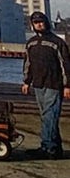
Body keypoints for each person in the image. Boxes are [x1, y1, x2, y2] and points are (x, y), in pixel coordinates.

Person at [21, 11, 70, 159]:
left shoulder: (57, 42)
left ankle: (48, 147)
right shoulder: (31, 43)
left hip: (54, 83)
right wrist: (26, 82)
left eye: (41, 22)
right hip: (38, 83)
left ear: (46, 22)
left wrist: (67, 86)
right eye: (36, 22)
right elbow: (28, 64)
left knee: (50, 115)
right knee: (46, 116)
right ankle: (55, 148)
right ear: (32, 24)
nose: (39, 24)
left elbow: (65, 65)